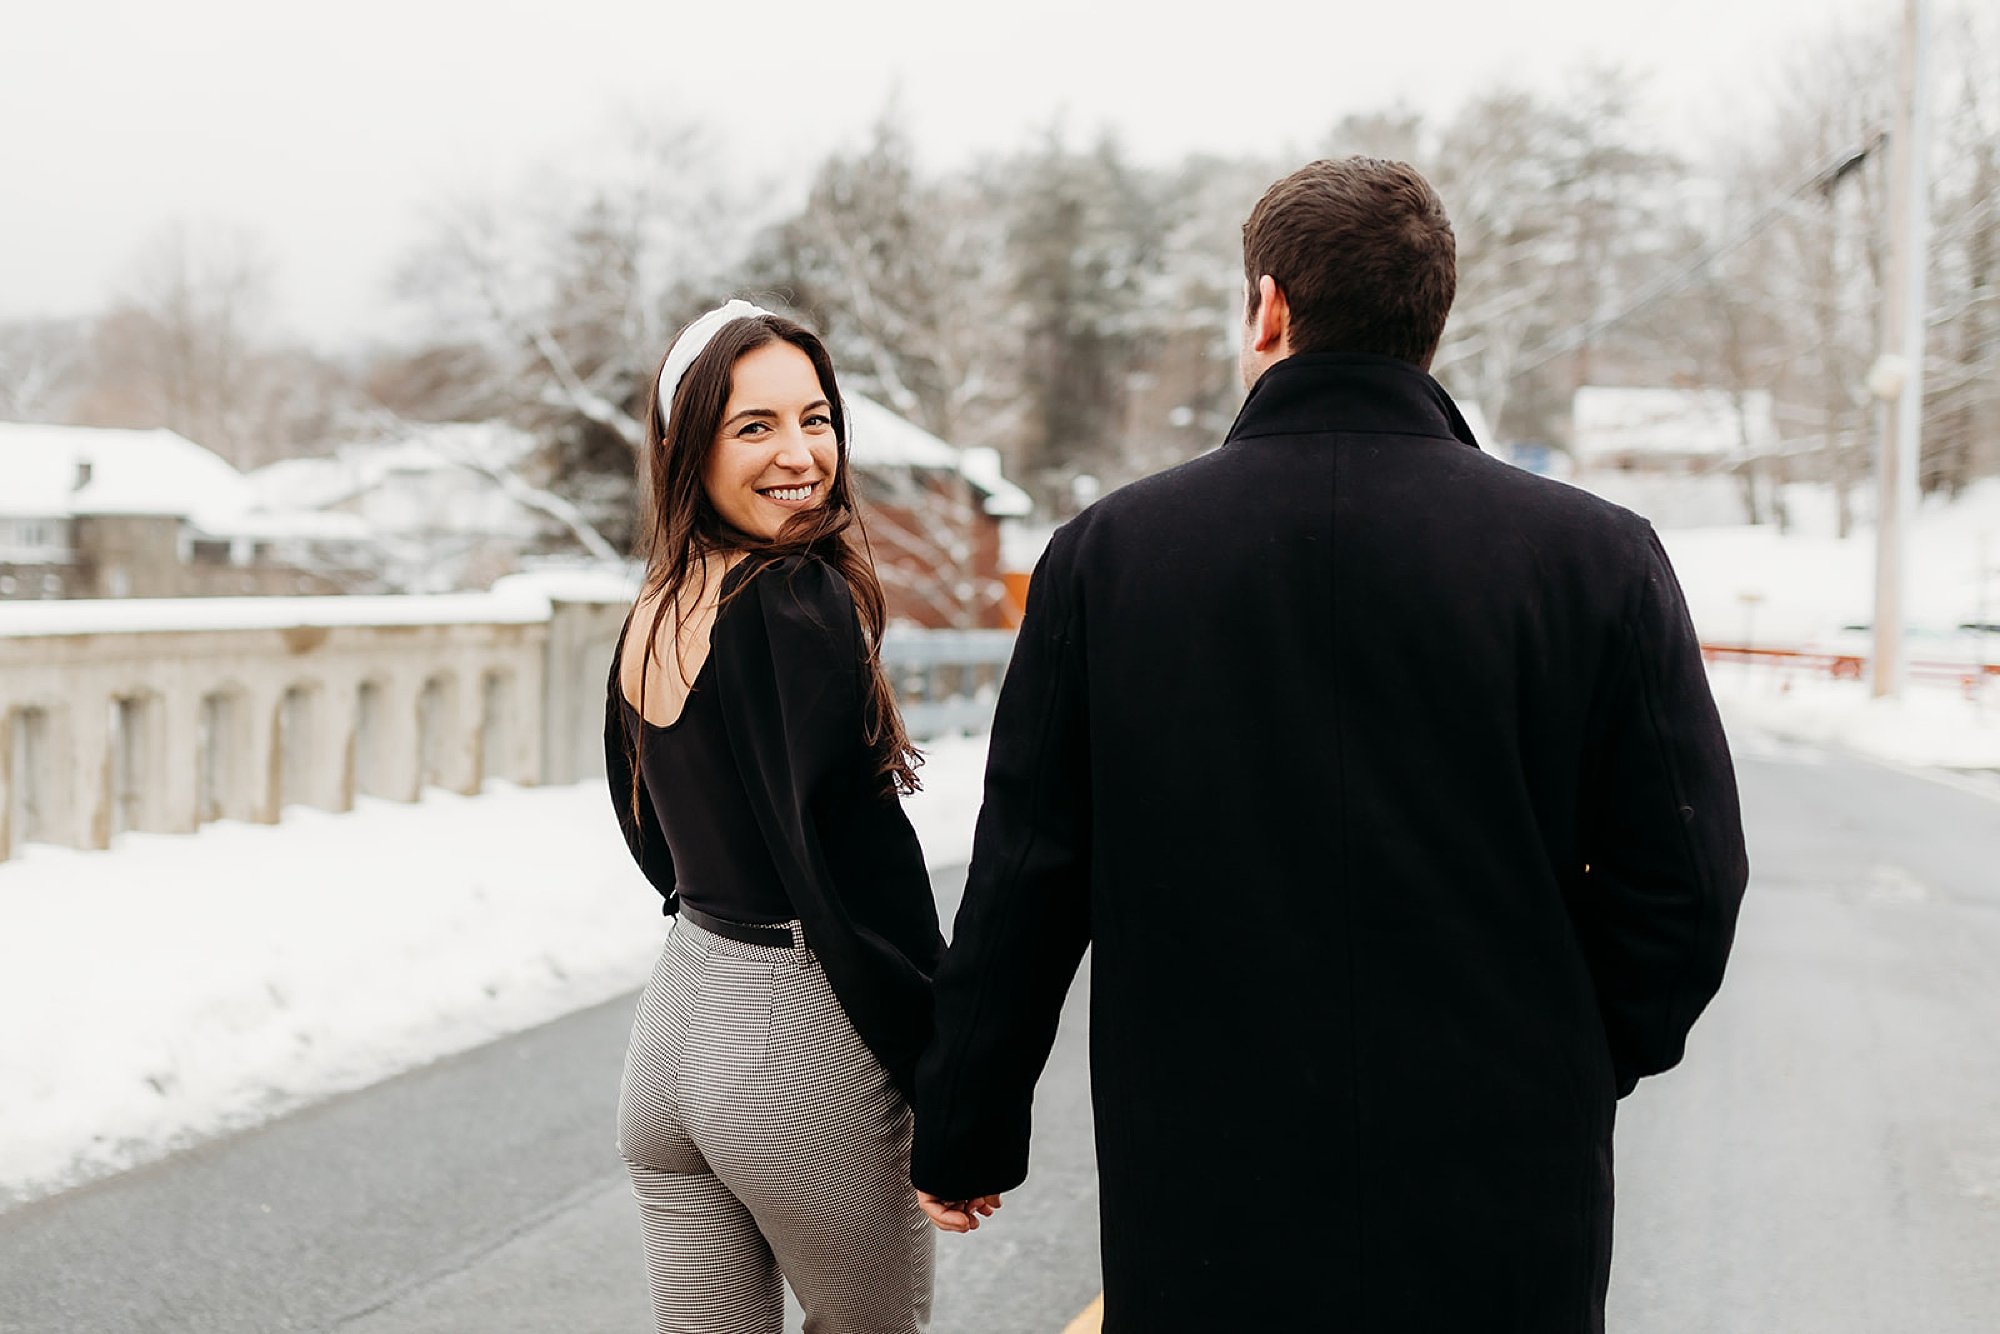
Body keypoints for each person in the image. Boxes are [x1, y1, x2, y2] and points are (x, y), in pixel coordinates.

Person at [910, 159, 1750, 1332]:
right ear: (1431, 318)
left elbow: (1026, 878)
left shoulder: (1109, 557)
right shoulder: (1594, 557)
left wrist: (966, 1120)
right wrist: (1563, 1057)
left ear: (1268, 306)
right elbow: (1688, 881)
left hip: (1204, 1190)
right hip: (1502, 1191)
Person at [604, 299, 951, 1334]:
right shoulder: (795, 599)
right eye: (753, 427)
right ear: (686, 447)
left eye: (816, 417)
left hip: (667, 1042)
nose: (800, 454)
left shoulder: (658, 600)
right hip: (785, 1052)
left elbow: (653, 836)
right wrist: (946, 1068)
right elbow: (856, 869)